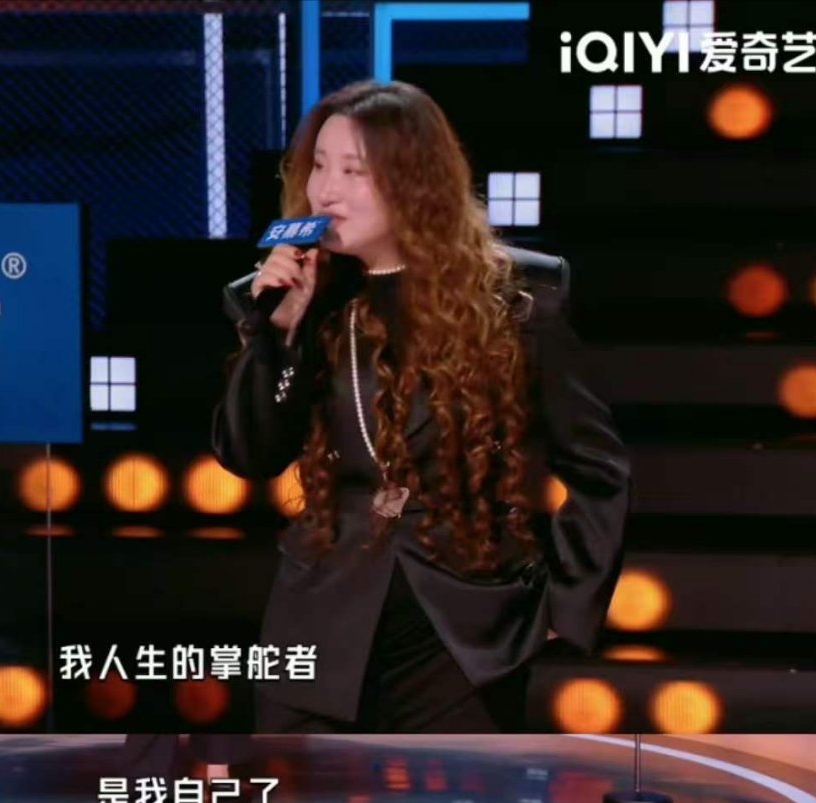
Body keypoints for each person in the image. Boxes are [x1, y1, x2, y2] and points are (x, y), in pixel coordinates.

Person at [211, 80, 630, 733]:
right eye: (319, 165)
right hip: (320, 631)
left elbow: (598, 468)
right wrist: (278, 338)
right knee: (302, 799)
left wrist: (563, 608)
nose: (325, 192)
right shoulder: (294, 298)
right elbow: (251, 453)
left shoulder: (517, 298)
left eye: (354, 171)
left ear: (416, 181)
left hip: (463, 639)